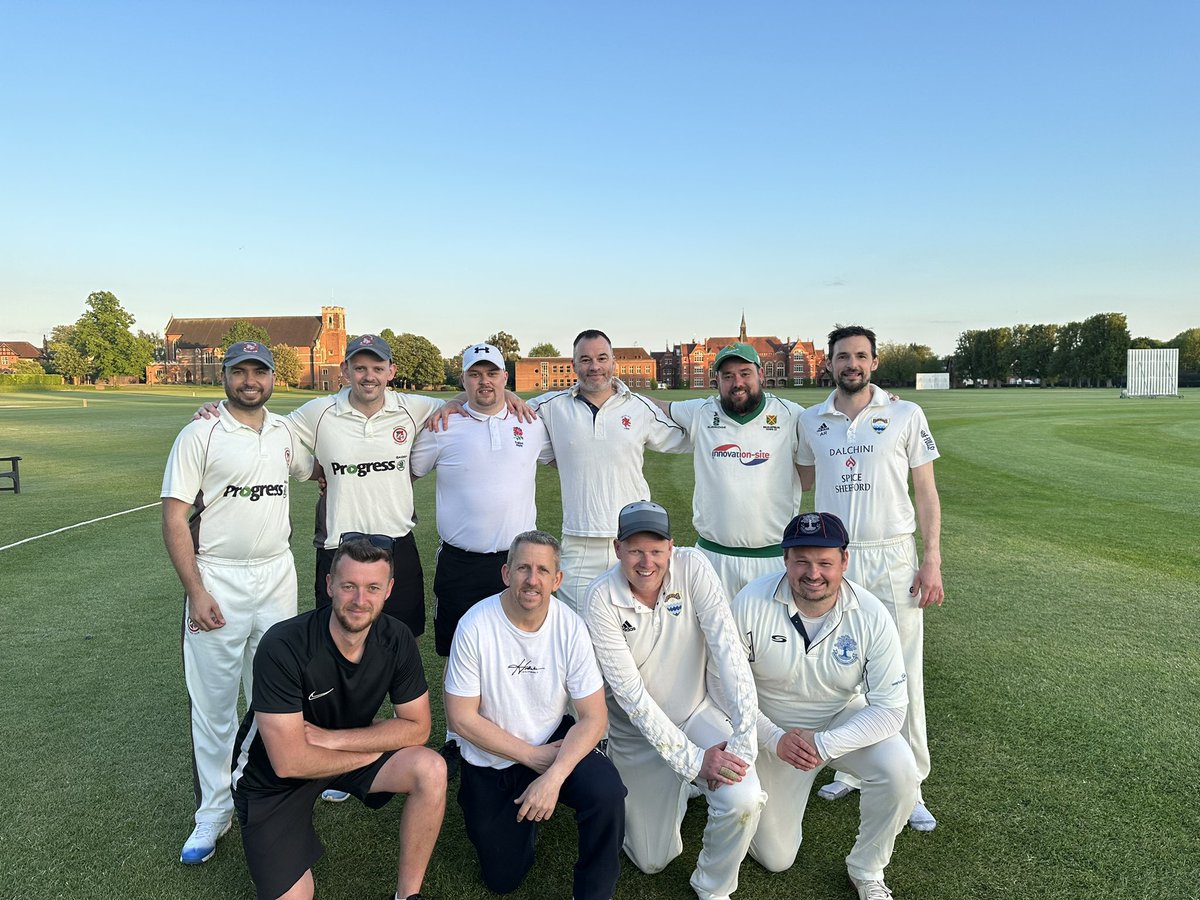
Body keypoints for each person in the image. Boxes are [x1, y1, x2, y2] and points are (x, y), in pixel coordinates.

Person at [162, 340, 315, 865]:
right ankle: (213, 813)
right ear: (224, 375)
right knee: (214, 705)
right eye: (240, 372)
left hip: (277, 574)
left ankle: (270, 796)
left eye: (260, 372)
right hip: (218, 579)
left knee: (276, 699)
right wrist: (196, 591)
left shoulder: (284, 432)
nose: (250, 381)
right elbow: (174, 518)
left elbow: (317, 466)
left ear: (273, 377)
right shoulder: (199, 431)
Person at [230, 536, 446, 900]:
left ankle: (407, 896)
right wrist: (365, 754)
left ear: (389, 590)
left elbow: (418, 727)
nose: (360, 600)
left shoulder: (397, 639)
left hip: (334, 748)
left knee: (431, 769)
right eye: (349, 586)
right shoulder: (284, 646)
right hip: (271, 779)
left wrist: (337, 740)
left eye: (372, 587)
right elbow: (288, 761)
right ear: (329, 585)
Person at [797, 325, 944, 831]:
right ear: (830, 364)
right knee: (841, 670)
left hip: (893, 557)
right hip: (835, 561)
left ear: (874, 363)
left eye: (860, 356)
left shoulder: (905, 413)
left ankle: (912, 784)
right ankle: (855, 768)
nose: (851, 364)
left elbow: (925, 492)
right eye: (842, 357)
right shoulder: (811, 421)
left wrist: (933, 560)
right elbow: (796, 478)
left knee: (901, 672)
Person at [582, 501, 764, 900]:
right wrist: (694, 761)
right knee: (651, 860)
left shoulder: (693, 567)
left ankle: (713, 888)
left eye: (656, 549)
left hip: (696, 714)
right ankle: (683, 782)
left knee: (744, 798)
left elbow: (729, 651)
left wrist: (743, 742)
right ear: (617, 549)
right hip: (635, 737)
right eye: (635, 550)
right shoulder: (599, 599)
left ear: (671, 546)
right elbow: (632, 698)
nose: (647, 562)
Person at [731, 512, 918, 900]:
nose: (812, 573)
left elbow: (890, 708)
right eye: (802, 560)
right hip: (771, 731)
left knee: (901, 769)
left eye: (825, 562)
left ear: (844, 561)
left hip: (837, 721)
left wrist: (825, 745)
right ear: (785, 559)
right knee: (776, 858)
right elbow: (727, 689)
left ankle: (867, 870)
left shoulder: (871, 614)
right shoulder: (750, 601)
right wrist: (774, 738)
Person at [444, 531, 624, 900]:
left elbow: (593, 717)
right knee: (502, 878)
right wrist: (530, 758)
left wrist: (553, 776)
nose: (532, 579)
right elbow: (461, 718)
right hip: (492, 755)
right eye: (523, 567)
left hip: (553, 742)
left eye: (543, 570)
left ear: (557, 580)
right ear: (506, 573)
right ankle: (518, 823)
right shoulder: (475, 625)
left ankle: (593, 892)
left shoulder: (570, 626)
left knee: (606, 792)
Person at [409, 342, 554, 773]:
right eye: (475, 374)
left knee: (518, 647)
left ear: (506, 378)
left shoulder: (530, 424)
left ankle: (519, 730)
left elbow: (554, 458)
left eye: (492, 373)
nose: (484, 381)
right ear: (464, 380)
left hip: (517, 564)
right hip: (461, 560)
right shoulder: (443, 425)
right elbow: (410, 470)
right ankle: (459, 735)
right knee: (459, 649)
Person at [526, 329, 688, 613]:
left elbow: (691, 436)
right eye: (585, 359)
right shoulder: (551, 407)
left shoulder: (639, 407)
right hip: (579, 542)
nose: (594, 367)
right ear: (574, 364)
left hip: (633, 541)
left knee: (636, 629)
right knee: (580, 636)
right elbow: (505, 411)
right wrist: (453, 404)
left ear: (614, 362)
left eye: (602, 358)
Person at [657, 342, 806, 599]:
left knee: (767, 637)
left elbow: (830, 426)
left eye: (745, 373)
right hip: (713, 557)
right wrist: (617, 392)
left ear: (760, 374)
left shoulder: (790, 414)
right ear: (718, 381)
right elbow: (656, 407)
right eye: (728, 376)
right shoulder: (702, 412)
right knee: (711, 637)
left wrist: (876, 398)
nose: (737, 382)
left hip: (772, 558)